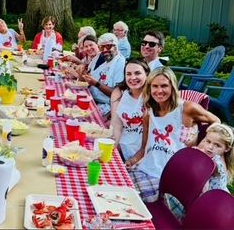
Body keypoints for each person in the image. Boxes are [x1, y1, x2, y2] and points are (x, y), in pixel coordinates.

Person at [126, 66, 220, 202]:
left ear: (173, 87)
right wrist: (131, 161)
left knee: (134, 203)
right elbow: (144, 148)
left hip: (171, 176)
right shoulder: (149, 112)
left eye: (164, 86)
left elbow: (216, 121)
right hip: (146, 168)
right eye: (155, 86)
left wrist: (199, 142)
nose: (159, 91)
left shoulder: (186, 108)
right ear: (149, 89)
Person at [110, 59, 149, 161]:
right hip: (123, 145)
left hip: (145, 150)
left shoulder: (153, 94)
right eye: (128, 74)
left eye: (137, 73)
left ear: (147, 74)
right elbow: (116, 124)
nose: (133, 77)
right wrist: (113, 147)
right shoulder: (119, 92)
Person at [81, 33, 125, 117]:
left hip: (107, 106)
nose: (105, 50)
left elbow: (117, 94)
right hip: (91, 98)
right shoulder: (100, 56)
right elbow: (87, 77)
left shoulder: (120, 62)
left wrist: (96, 84)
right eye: (102, 47)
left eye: (108, 46)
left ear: (116, 46)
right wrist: (82, 73)